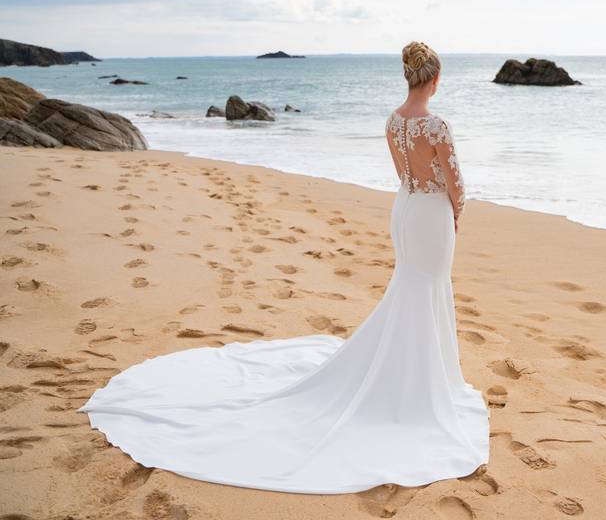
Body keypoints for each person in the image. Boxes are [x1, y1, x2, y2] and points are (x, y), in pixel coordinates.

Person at [77, 41, 490, 494]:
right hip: (430, 214)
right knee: (427, 288)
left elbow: (402, 175)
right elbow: (456, 185)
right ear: (434, 78)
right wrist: (455, 214)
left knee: (412, 288)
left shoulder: (393, 121)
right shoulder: (436, 125)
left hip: (405, 210)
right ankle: (425, 386)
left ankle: (420, 375)